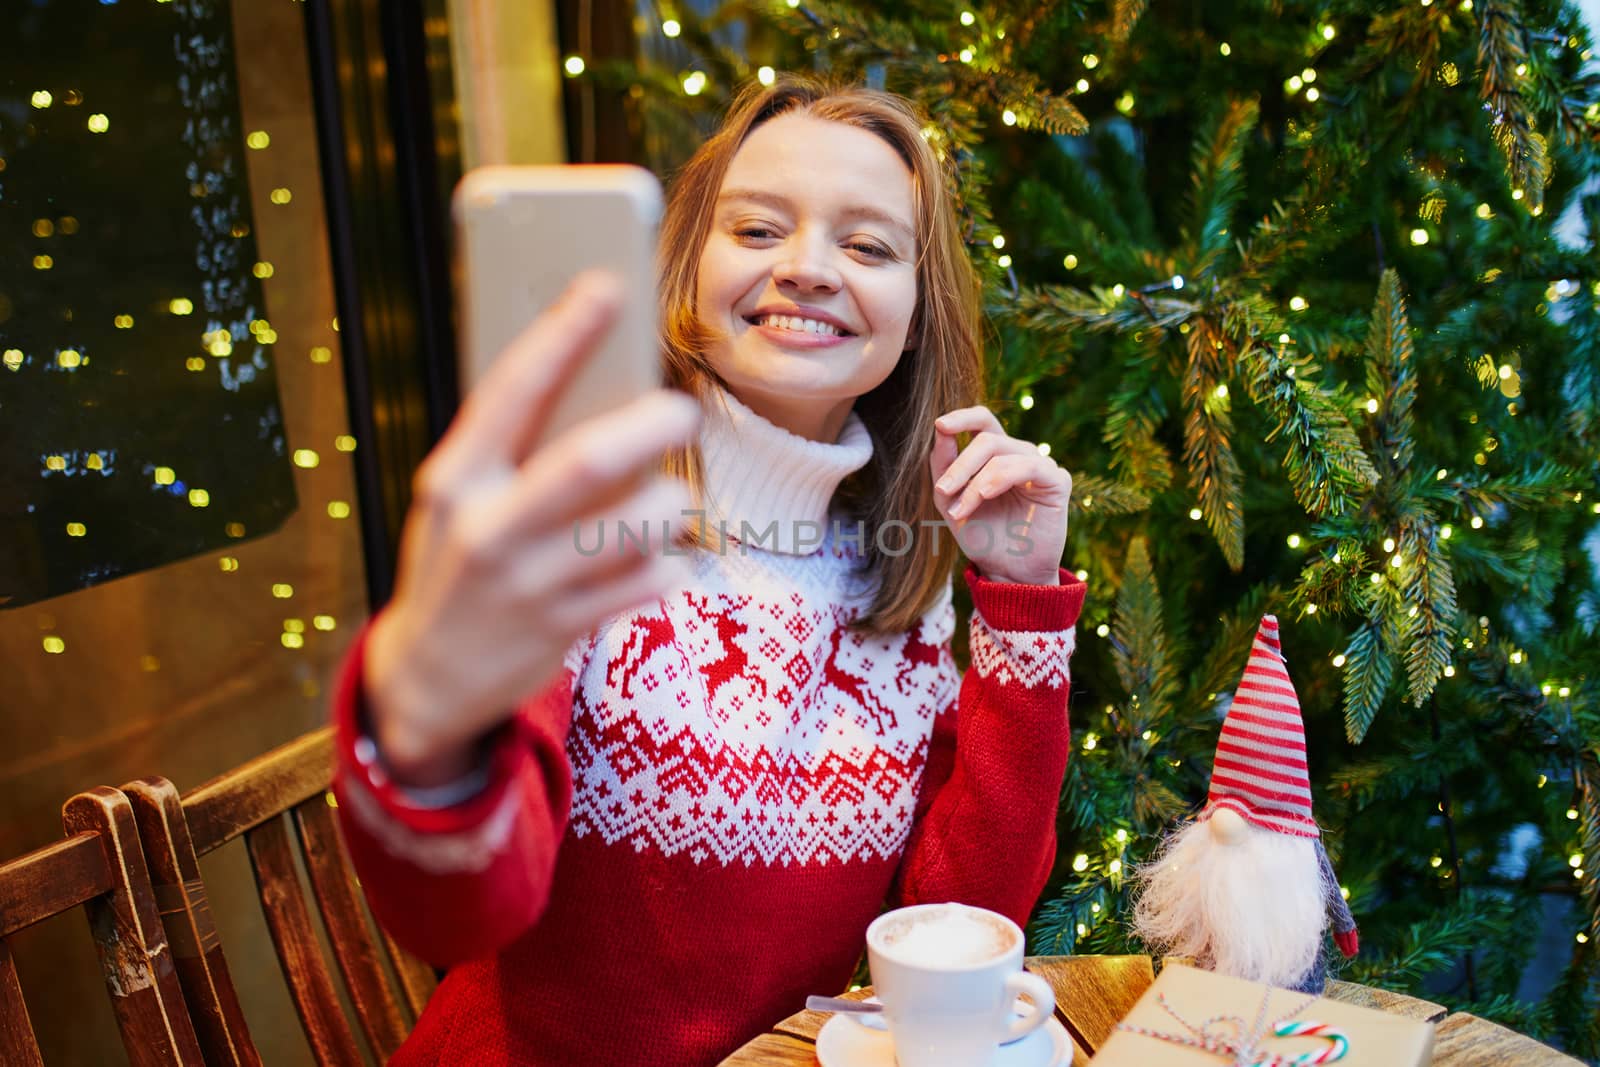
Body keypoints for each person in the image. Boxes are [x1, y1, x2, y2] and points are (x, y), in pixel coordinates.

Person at [332, 75, 1087, 1065]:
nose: (810, 268)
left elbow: (964, 918)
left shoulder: (902, 570)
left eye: (866, 245)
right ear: (685, 265)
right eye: (759, 229)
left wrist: (1024, 608)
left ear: (916, 311)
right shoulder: (589, 521)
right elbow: (460, 912)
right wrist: (428, 736)